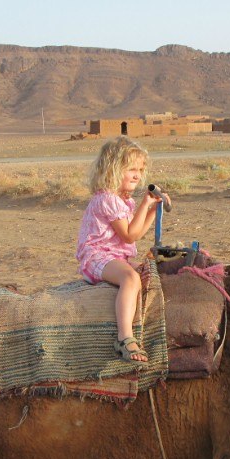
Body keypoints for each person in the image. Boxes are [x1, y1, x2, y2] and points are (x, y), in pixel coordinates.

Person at [76, 136, 169, 363]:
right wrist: (145, 206)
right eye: (131, 169)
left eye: (140, 170)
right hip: (97, 255)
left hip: (115, 255)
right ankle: (125, 337)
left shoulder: (123, 200)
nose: (137, 175)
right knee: (130, 279)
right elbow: (129, 234)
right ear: (113, 169)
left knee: (148, 270)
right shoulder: (107, 199)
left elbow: (135, 231)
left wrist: (153, 211)